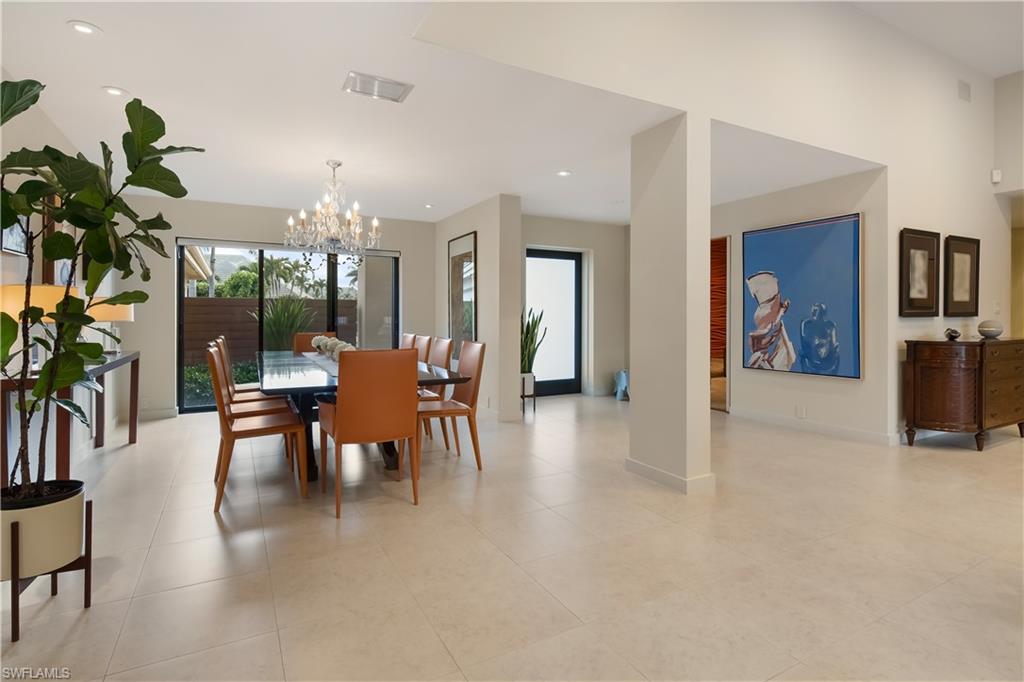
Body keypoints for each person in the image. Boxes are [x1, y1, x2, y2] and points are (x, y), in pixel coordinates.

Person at [746, 271, 796, 371]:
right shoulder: (764, 315)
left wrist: (781, 311)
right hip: (763, 360)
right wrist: (781, 311)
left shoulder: (769, 316)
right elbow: (771, 328)